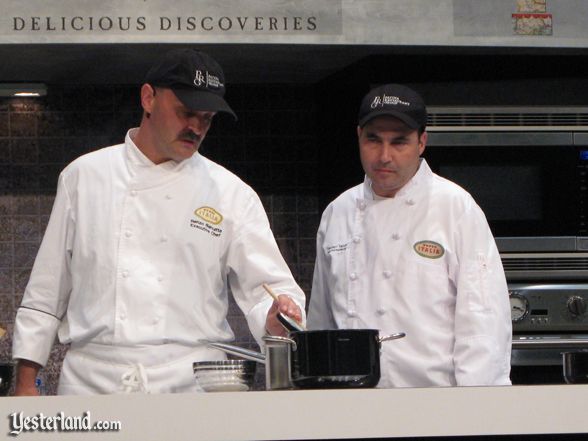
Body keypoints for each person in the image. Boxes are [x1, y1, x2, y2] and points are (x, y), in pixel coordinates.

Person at [12, 48, 305, 395]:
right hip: (93, 384)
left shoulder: (231, 193)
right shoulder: (83, 177)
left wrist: (276, 317)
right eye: (186, 112)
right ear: (148, 98)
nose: (196, 127)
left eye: (207, 118)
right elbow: (47, 293)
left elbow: (269, 291)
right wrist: (25, 382)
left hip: (191, 384)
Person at [307, 84, 511, 388]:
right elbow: (321, 323)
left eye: (399, 142)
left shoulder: (455, 208)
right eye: (373, 140)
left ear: (421, 142)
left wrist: (477, 411)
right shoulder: (338, 212)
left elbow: (482, 321)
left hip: (437, 406)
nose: (384, 156)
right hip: (351, 407)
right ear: (358, 136)